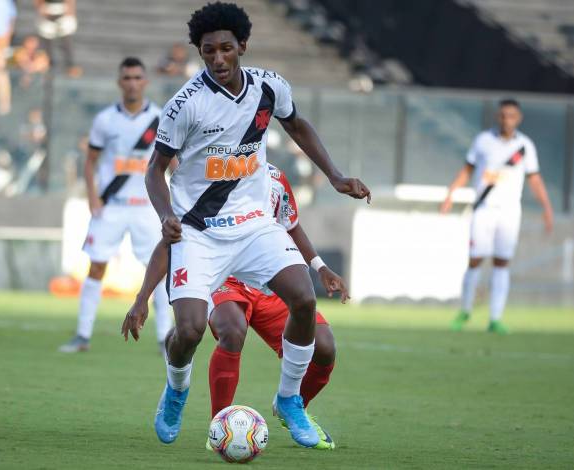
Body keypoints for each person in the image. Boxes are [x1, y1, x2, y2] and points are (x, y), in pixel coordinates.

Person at [121, 2, 370, 448]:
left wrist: (334, 176)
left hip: (255, 226)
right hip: (199, 232)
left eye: (226, 49)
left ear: (242, 46)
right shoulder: (185, 105)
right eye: (208, 51)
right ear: (199, 52)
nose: (218, 58)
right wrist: (167, 216)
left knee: (303, 298)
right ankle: (176, 389)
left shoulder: (269, 87)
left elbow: (298, 126)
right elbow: (154, 170)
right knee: (190, 330)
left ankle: (289, 399)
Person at [123, 163, 347, 450]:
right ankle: (218, 423)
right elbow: (176, 236)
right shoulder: (206, 175)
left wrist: (320, 267)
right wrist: (142, 296)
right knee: (231, 329)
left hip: (267, 283)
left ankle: (292, 405)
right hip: (223, 277)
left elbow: (291, 226)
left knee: (324, 345)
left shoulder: (275, 178)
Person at [58, 57, 172, 354]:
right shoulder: (105, 120)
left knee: (159, 271)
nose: (132, 83)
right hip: (112, 206)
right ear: (120, 82)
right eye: (127, 78)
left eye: (137, 77)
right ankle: (82, 335)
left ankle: (165, 339)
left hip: (148, 207)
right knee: (96, 266)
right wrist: (93, 196)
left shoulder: (161, 118)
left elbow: (173, 162)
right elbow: (90, 161)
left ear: (145, 81)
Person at [441, 98, 553, 334]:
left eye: (511, 116)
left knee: (502, 262)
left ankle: (495, 318)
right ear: (497, 116)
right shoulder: (483, 140)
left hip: (509, 212)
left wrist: (546, 207)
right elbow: (467, 169)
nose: (506, 120)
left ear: (518, 118)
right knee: (475, 259)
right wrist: (451, 194)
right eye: (503, 115)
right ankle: (465, 311)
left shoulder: (525, 145)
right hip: (484, 208)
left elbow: (534, 178)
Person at [34, 0, 81, 78]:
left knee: (66, 42)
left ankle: (70, 66)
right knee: (48, 43)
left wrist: (71, 10)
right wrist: (40, 8)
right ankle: (49, 66)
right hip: (47, 11)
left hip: (63, 11)